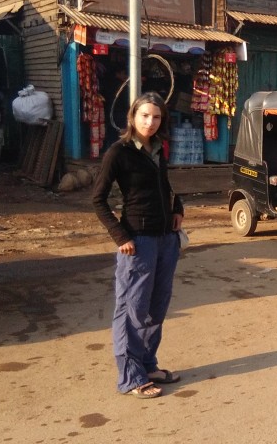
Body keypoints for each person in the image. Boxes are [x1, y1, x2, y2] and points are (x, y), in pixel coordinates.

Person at [91, 92, 184, 399]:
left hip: (165, 240)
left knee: (156, 307)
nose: (150, 122)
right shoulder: (118, 153)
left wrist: (177, 209)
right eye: (145, 116)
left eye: (156, 117)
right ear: (132, 117)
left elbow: (165, 186)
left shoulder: (158, 149)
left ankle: (147, 363)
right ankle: (131, 377)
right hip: (138, 241)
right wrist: (121, 236)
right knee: (132, 309)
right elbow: (98, 199)